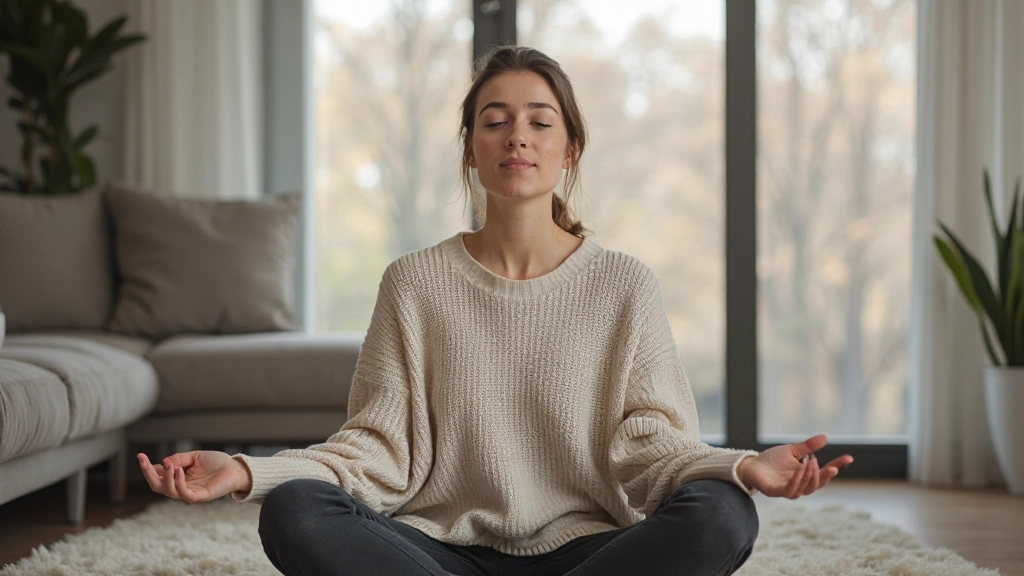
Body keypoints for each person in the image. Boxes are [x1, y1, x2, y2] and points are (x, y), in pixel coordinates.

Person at [138, 45, 854, 576]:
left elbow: (650, 447)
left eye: (540, 122)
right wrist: (246, 471)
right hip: (439, 555)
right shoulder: (413, 283)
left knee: (722, 514)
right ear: (471, 153)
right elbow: (376, 450)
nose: (518, 136)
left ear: (569, 149)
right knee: (295, 512)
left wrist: (738, 468)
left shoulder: (624, 285)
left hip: (587, 554)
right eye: (496, 121)